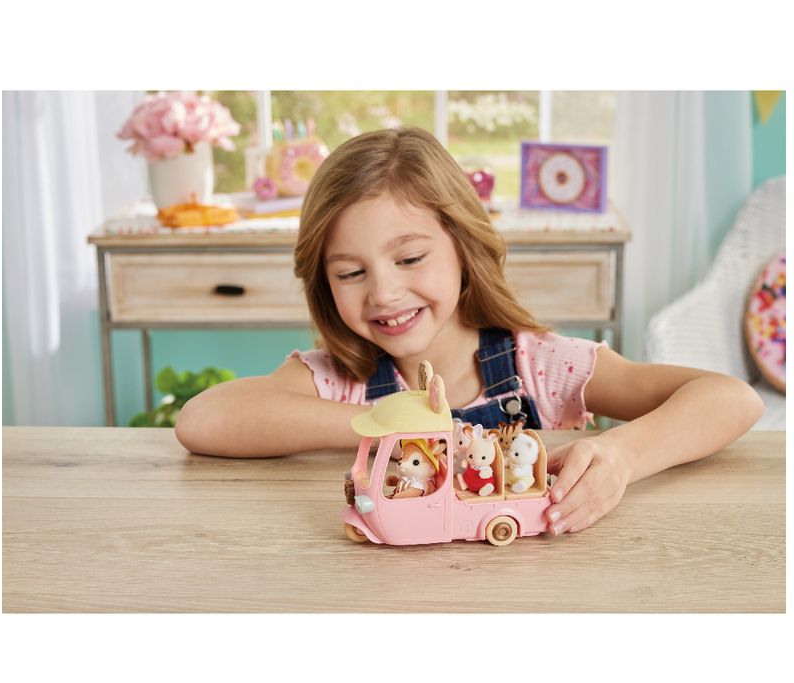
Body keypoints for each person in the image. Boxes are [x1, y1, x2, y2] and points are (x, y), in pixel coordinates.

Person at [176, 126, 764, 535]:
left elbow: (730, 398)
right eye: (351, 273)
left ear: (463, 247)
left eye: (410, 259)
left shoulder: (542, 365)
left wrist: (622, 456)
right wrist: (388, 424)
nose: (383, 293)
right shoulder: (339, 380)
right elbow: (201, 420)